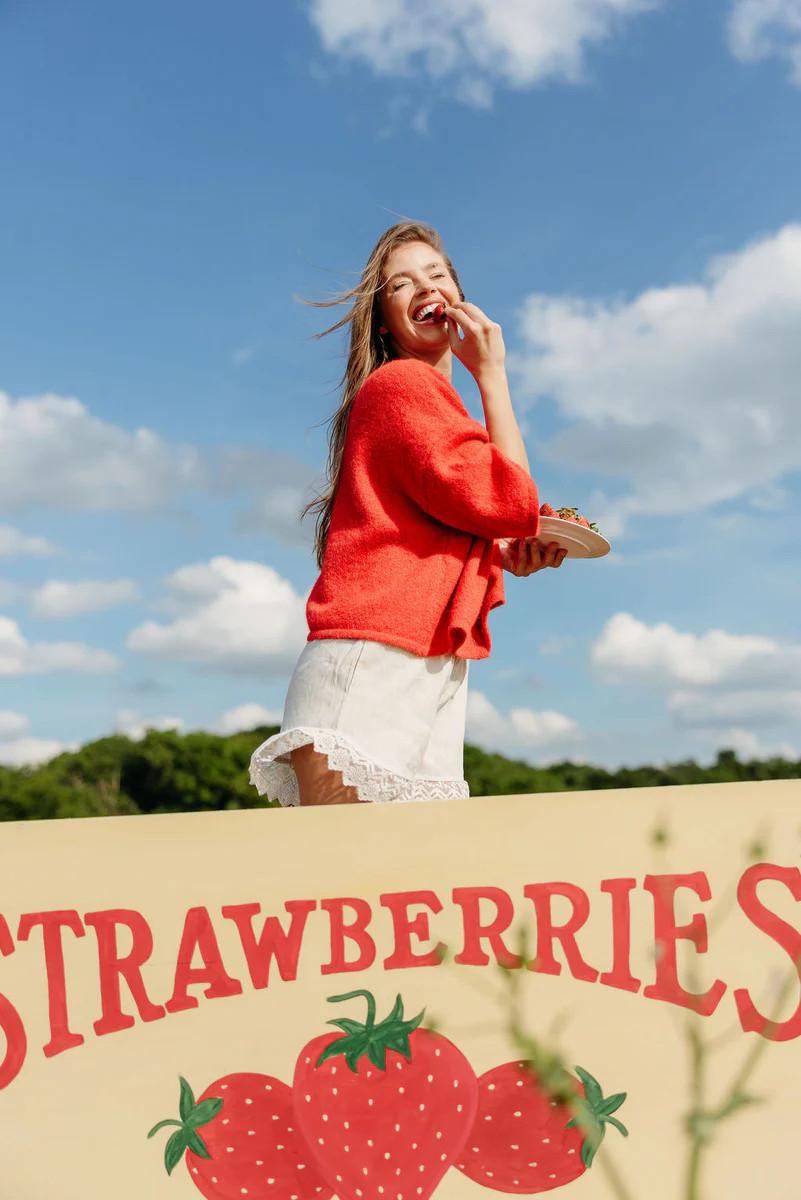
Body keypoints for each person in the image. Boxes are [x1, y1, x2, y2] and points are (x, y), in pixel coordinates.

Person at [249, 221, 566, 808]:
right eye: (401, 284)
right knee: (346, 879)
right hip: (374, 656)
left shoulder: (438, 409)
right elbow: (509, 498)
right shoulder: (400, 385)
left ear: (458, 297)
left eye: (436, 274)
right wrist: (492, 374)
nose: (424, 286)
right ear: (384, 319)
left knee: (407, 887)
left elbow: (470, 522)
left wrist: (503, 555)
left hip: (422, 665)